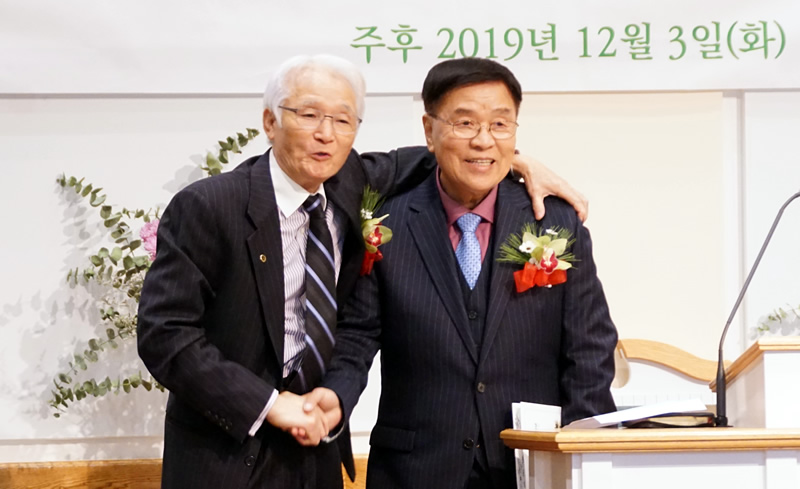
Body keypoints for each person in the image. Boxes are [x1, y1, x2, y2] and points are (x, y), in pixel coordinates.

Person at [137, 54, 589, 489]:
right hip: (225, 455)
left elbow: (449, 153)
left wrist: (518, 161)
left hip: (314, 454)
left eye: (343, 120)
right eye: (308, 115)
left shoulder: (350, 183)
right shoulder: (209, 206)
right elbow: (164, 334)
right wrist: (268, 404)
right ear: (270, 122)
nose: (326, 134)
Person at [316, 57, 618, 489]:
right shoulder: (385, 225)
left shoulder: (554, 223)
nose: (483, 140)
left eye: (500, 124)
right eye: (465, 123)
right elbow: (356, 337)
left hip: (530, 466)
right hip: (415, 471)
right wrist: (335, 395)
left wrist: (581, 457)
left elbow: (589, 349)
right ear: (429, 130)